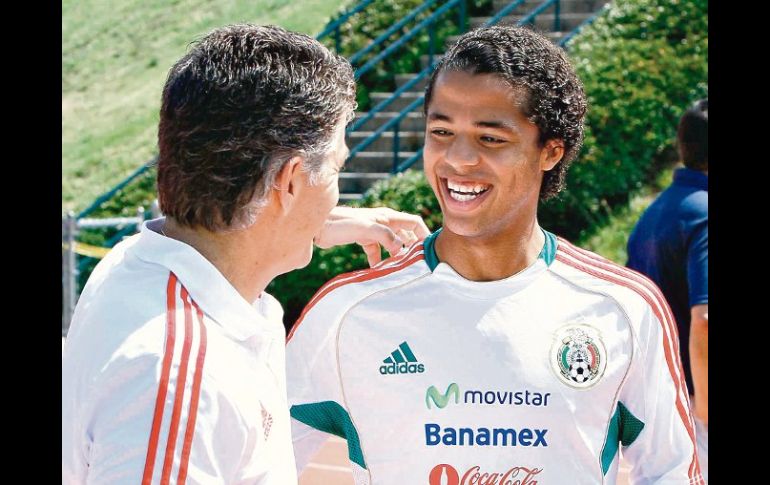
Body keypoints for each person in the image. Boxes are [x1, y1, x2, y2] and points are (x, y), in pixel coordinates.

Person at [285, 26, 704, 484]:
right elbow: (247, 461)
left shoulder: (624, 309)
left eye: (490, 139)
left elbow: (672, 473)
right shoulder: (348, 311)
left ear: (550, 151)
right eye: (441, 131)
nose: (458, 159)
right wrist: (302, 224)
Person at [61, 24, 428, 484]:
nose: (337, 191)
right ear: (290, 182)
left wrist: (311, 222)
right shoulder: (182, 382)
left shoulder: (138, 262)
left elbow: (237, 222)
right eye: (335, 169)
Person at [627, 98, 708, 481]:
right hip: (697, 407)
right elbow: (705, 319)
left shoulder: (658, 209)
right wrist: (705, 410)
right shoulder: (704, 212)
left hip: (663, 405)